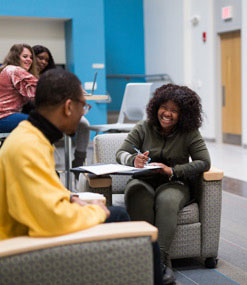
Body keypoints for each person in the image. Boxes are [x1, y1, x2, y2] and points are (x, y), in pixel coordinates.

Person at [0, 69, 162, 284]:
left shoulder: (31, 137)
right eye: (83, 106)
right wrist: (95, 211)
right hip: (23, 244)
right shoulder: (28, 147)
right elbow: (49, 221)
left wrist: (71, 198)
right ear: (68, 107)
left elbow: (40, 189)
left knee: (117, 214)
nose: (83, 113)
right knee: (129, 225)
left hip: (31, 227)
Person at [116, 84, 211, 284]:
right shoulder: (143, 127)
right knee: (137, 195)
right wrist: (134, 160)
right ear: (156, 106)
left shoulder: (189, 132)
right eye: (164, 107)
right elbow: (121, 153)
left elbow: (204, 162)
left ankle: (157, 262)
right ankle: (149, 259)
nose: (167, 114)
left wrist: (173, 171)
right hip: (143, 180)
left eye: (174, 110)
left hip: (175, 183)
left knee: (167, 201)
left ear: (183, 114)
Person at [32, 45, 90, 169]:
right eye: (40, 58)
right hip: (38, 113)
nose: (43, 62)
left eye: (46, 60)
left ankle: (79, 160)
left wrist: (75, 90)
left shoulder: (54, 75)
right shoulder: (25, 76)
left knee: (84, 124)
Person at [0, 43, 39, 132]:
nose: (29, 60)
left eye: (31, 57)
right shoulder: (15, 70)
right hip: (4, 117)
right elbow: (40, 89)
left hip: (6, 116)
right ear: (15, 57)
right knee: (41, 122)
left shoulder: (6, 69)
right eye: (25, 56)